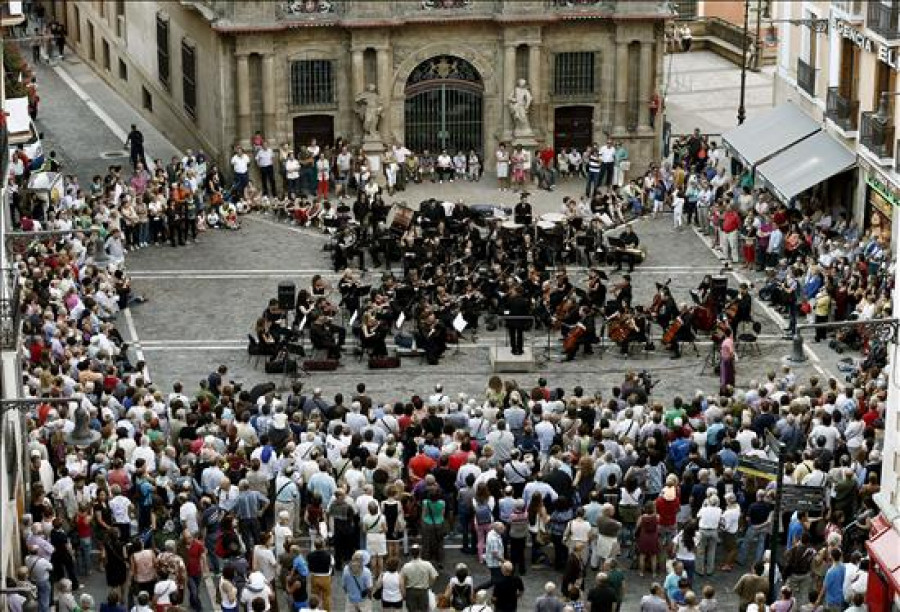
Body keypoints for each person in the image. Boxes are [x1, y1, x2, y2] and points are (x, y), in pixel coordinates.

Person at [400, 545, 438, 612]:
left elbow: (402, 581)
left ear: (411, 554)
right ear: (420, 553)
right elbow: (434, 576)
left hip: (410, 592)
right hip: (423, 591)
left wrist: (403, 593)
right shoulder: (427, 564)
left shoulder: (406, 566)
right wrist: (429, 584)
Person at [502, 285, 532, 355]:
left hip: (511, 320)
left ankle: (514, 350)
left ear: (516, 292)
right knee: (520, 335)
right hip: (521, 320)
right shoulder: (525, 300)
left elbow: (506, 309)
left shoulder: (510, 300)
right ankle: (520, 349)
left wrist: (507, 315)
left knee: (512, 335)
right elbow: (527, 311)